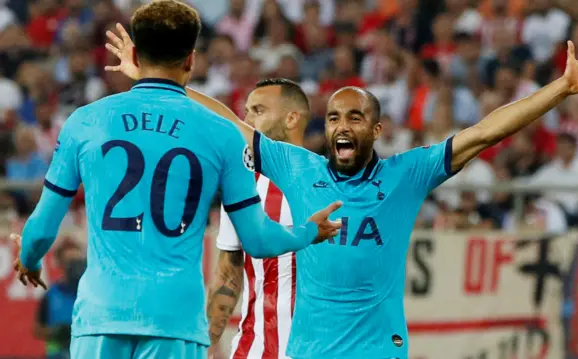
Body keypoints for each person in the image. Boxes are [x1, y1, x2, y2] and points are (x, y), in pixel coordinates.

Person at [106, 24, 578, 358]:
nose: (342, 124)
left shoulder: (406, 175)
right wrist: (154, 80)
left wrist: (562, 89)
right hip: (307, 351)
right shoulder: (298, 167)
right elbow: (227, 122)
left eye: (355, 116)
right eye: (333, 117)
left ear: (376, 129)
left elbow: (487, 132)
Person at [11, 1, 343, 359]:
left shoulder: (84, 121)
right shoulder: (223, 135)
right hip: (176, 322)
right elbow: (258, 239)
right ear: (191, 60)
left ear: (135, 54)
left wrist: (29, 259)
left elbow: (42, 229)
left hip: (101, 317)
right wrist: (310, 231)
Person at [210, 78, 310, 358]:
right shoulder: (242, 186)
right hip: (255, 350)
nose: (247, 119)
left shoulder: (331, 183)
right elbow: (228, 275)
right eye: (246, 111)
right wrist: (206, 343)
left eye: (258, 110)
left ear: (291, 118)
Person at [34, 239, 86, 359]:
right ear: (60, 263)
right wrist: (56, 332)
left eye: (76, 261)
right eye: (69, 262)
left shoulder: (90, 295)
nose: (74, 266)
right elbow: (37, 328)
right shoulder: (51, 295)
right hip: (57, 354)